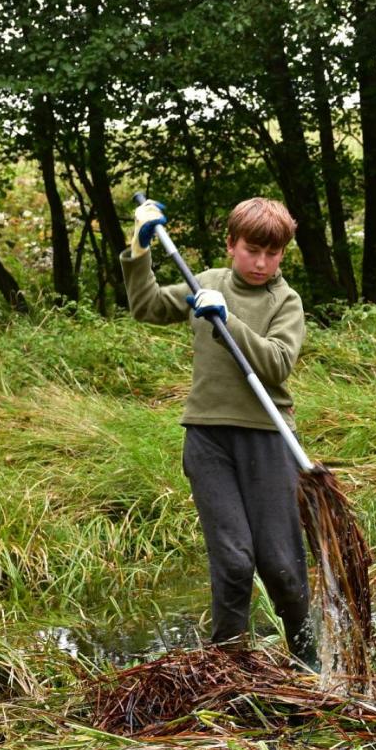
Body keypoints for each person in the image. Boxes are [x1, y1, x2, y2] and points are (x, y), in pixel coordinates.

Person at [120, 196, 316, 670]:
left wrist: (228, 319)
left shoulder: (285, 302)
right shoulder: (204, 283)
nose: (261, 263)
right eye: (252, 251)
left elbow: (277, 363)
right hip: (208, 440)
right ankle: (228, 670)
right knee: (233, 562)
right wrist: (140, 250)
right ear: (231, 245)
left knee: (282, 567)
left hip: (268, 438)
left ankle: (309, 664)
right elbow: (145, 306)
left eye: (272, 254)